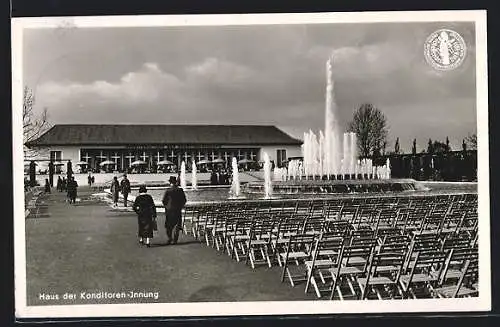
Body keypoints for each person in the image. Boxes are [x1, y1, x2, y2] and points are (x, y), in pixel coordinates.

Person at [162, 176, 187, 245]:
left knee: (168, 225)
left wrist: (166, 207)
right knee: (177, 225)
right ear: (175, 182)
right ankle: (175, 239)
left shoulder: (168, 190)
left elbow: (164, 200)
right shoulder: (180, 190)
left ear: (170, 182)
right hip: (177, 209)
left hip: (169, 210)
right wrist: (180, 206)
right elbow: (184, 200)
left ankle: (169, 238)